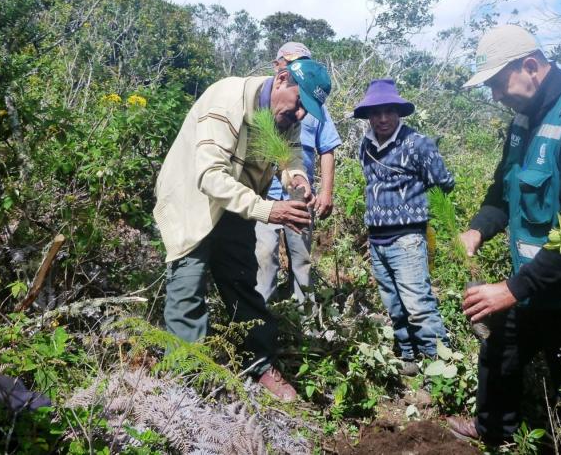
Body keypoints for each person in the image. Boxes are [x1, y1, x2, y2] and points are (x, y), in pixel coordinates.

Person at [447, 25, 561, 442]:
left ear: (530, 67)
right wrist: (477, 230)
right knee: (500, 350)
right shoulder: (524, 118)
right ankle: (493, 433)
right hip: (536, 284)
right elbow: (504, 188)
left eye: (497, 84)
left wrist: (513, 289)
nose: (495, 96)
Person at [153, 59, 332, 402]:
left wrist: (298, 178)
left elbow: (291, 155)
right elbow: (209, 177)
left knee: (243, 283)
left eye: (306, 112)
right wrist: (270, 210)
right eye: (298, 105)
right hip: (194, 202)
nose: (298, 117)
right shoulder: (228, 101)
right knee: (187, 290)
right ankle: (186, 388)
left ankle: (261, 365)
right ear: (281, 80)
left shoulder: (285, 116)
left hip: (239, 202)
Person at [354, 79, 454, 376]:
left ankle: (440, 370)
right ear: (369, 116)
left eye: (389, 111)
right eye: (376, 112)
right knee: (394, 305)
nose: (383, 118)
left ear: (399, 112)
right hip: (377, 239)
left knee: (418, 305)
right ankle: (409, 358)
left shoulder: (418, 144)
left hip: (408, 239)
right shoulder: (365, 145)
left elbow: (444, 183)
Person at [255, 42, 342, 306]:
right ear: (278, 66)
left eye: (303, 62)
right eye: (291, 62)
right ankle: (262, 317)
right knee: (264, 256)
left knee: (302, 258)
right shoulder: (261, 97)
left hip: (299, 193)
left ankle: (304, 319)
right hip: (264, 194)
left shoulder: (316, 106)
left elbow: (326, 148)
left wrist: (325, 192)